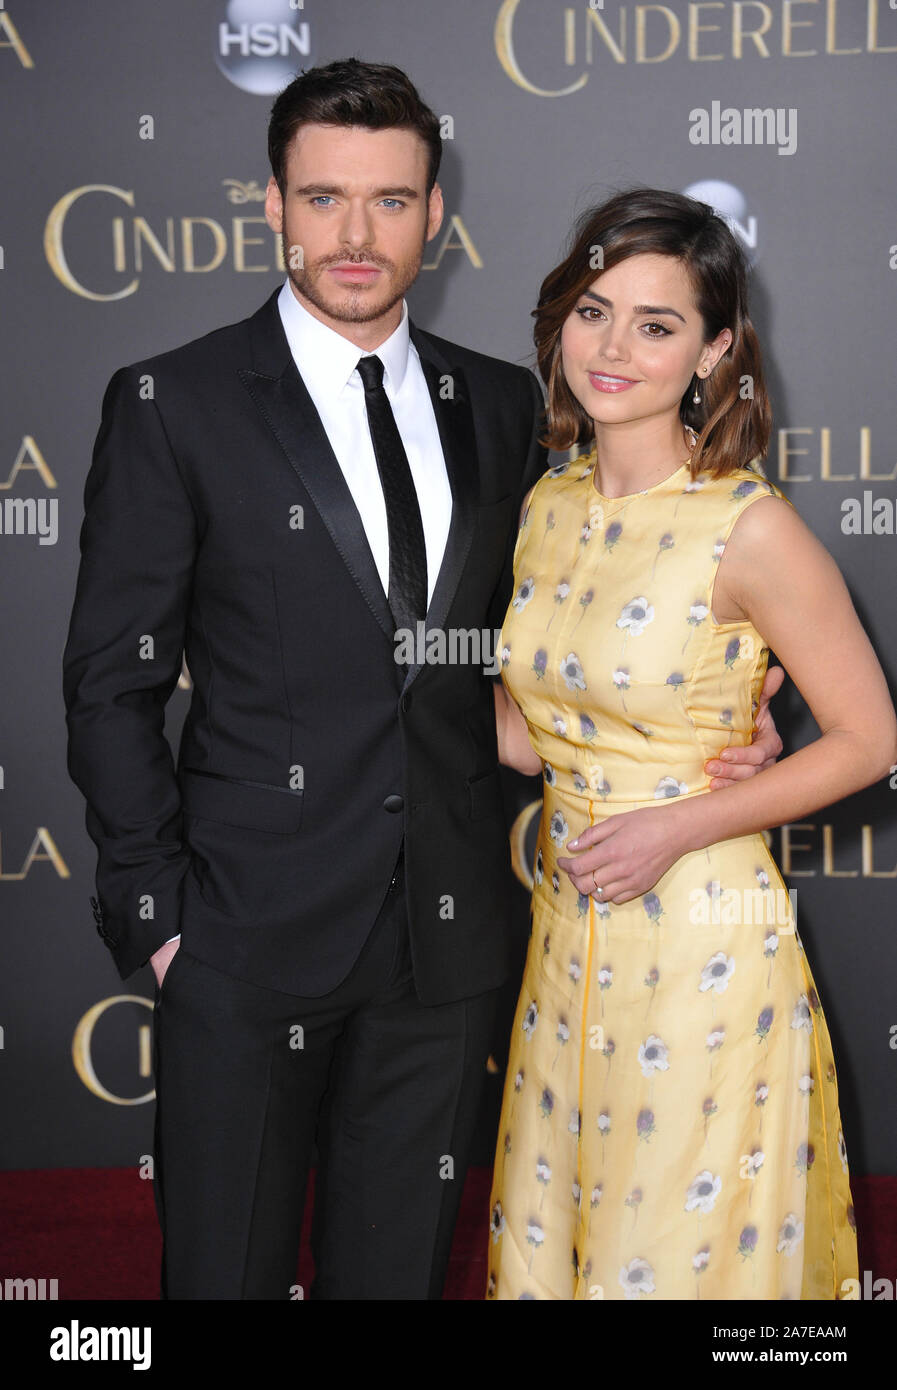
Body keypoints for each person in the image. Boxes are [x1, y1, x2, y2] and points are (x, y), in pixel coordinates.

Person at [62, 62, 779, 1301]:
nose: (355, 235)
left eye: (390, 201)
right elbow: (109, 683)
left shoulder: (502, 407)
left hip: (447, 957)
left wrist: (724, 727)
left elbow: (569, 641)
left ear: (435, 213)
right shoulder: (173, 402)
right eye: (324, 198)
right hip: (240, 942)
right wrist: (165, 926)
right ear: (273, 206)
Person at [488, 187, 897, 1301]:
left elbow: (869, 739)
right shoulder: (548, 504)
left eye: (657, 324)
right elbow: (525, 745)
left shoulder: (747, 525)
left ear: (716, 349)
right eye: (594, 308)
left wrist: (681, 821)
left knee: (669, 1261)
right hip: (568, 934)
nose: (613, 346)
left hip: (704, 941)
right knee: (557, 1237)